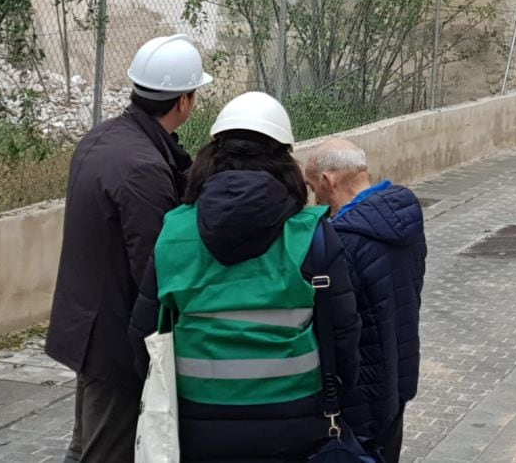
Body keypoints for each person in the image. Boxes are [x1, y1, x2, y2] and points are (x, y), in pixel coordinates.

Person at [130, 91, 362, 463]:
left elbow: (143, 336)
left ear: (211, 155)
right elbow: (345, 336)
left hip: (198, 423)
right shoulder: (312, 237)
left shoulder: (174, 233)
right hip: (296, 423)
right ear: (286, 158)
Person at [47, 34, 212, 462]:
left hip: (87, 325)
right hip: (115, 340)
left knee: (85, 444)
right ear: (184, 102)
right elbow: (155, 268)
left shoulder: (100, 139)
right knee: (106, 451)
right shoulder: (143, 168)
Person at [305, 139, 427, 463]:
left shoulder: (341, 241)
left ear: (329, 181)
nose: (314, 197)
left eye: (312, 186)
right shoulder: (406, 215)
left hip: (361, 397)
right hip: (398, 376)